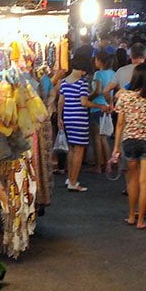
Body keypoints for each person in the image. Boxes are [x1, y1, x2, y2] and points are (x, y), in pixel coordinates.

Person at [111, 64, 146, 228]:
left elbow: (119, 124)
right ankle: (141, 220)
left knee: (132, 180)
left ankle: (132, 215)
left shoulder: (125, 97)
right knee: (144, 180)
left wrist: (116, 147)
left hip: (129, 140)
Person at [57, 49, 101, 191]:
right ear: (83, 70)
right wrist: (99, 105)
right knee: (79, 150)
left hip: (68, 118)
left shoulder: (63, 82)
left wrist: (59, 118)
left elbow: (60, 102)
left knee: (71, 150)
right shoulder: (81, 82)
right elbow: (84, 102)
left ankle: (70, 178)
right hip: (79, 119)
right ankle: (74, 182)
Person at [90, 52, 117, 172]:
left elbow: (98, 90)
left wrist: (88, 98)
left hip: (97, 107)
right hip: (107, 106)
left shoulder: (98, 74)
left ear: (100, 61)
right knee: (103, 138)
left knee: (97, 138)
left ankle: (98, 166)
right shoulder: (112, 73)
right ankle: (107, 165)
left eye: (96, 60)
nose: (95, 62)